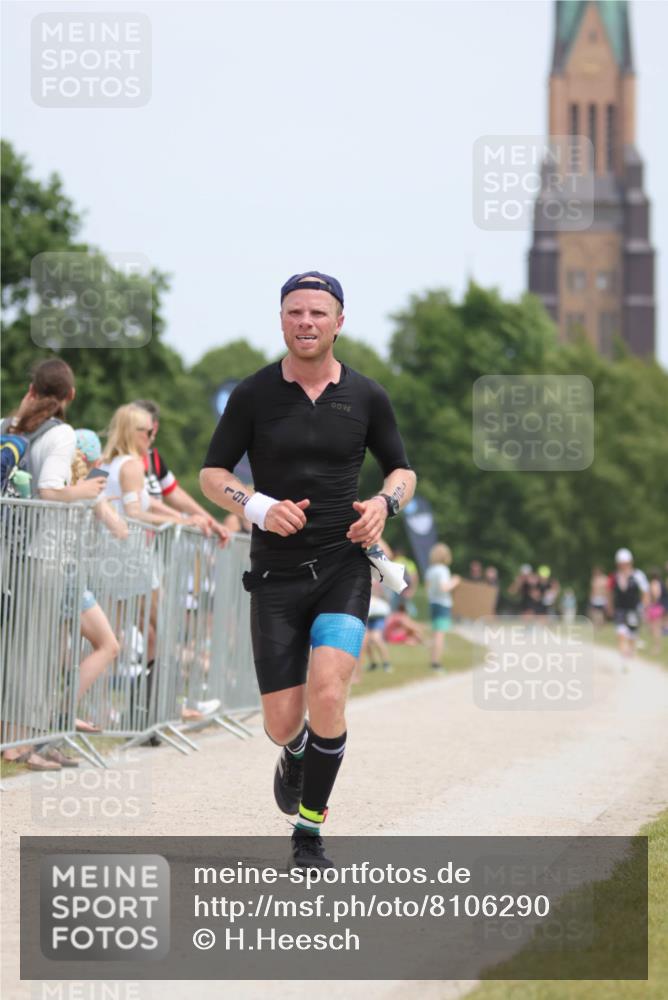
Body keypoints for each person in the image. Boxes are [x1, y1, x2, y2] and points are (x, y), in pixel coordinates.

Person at [201, 270, 415, 869]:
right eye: (295, 312)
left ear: (339, 322)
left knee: (329, 692)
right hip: (274, 576)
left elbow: (403, 470)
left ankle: (309, 829)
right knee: (281, 720)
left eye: (318, 313)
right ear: (281, 319)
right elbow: (212, 473)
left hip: (343, 568)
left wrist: (383, 504)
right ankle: (294, 751)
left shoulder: (366, 396)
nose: (306, 322)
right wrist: (258, 506)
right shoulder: (254, 395)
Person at [1, 360, 106, 771]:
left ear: (32, 388)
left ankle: (22, 740)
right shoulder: (61, 434)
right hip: (42, 553)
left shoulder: (12, 426)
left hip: (13, 550)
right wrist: (84, 489)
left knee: (17, 649)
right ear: (70, 396)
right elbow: (49, 490)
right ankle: (17, 745)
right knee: (34, 652)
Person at [131, 399, 229, 544]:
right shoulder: (113, 459)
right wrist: (182, 519)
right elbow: (96, 489)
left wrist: (210, 522)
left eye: (150, 430)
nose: (151, 435)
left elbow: (175, 493)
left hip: (144, 549)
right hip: (121, 548)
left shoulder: (153, 457)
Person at [607, 548, 649, 668]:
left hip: (634, 610)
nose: (623, 566)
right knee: (621, 633)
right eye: (621, 564)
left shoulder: (638, 575)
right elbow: (609, 592)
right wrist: (609, 607)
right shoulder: (614, 576)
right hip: (620, 609)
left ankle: (630, 654)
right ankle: (623, 660)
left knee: (632, 635)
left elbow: (645, 592)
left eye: (625, 563)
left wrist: (644, 606)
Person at [424, 543, 460, 672]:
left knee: (435, 633)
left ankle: (432, 660)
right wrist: (455, 581)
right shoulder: (443, 570)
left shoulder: (430, 570)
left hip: (433, 603)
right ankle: (436, 663)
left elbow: (427, 588)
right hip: (443, 604)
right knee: (440, 635)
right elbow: (444, 587)